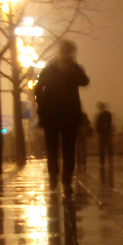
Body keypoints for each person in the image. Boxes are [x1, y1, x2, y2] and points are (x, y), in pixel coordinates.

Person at [34, 39, 89, 195]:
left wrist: (75, 66)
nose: (67, 54)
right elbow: (38, 88)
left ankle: (66, 181)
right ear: (60, 52)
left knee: (68, 150)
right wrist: (42, 106)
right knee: (52, 149)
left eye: (69, 52)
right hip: (51, 115)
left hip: (69, 115)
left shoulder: (74, 69)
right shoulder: (49, 68)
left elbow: (84, 81)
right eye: (65, 51)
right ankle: (53, 176)